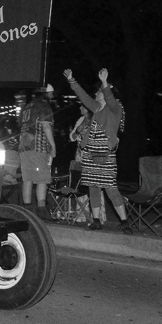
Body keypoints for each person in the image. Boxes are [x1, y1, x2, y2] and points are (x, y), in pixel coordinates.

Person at [65, 68, 132, 234]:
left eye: (99, 91)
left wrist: (104, 83)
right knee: (93, 187)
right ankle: (96, 220)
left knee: (110, 187)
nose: (96, 93)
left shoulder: (115, 108)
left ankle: (124, 221)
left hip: (105, 153)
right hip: (90, 152)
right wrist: (72, 80)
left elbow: (109, 98)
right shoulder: (96, 108)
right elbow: (83, 96)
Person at [18, 84, 56, 220]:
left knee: (27, 178)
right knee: (42, 178)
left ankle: (27, 211)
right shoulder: (44, 105)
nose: (52, 96)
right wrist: (53, 146)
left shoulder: (27, 106)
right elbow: (46, 126)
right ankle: (41, 211)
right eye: (50, 93)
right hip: (38, 147)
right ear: (45, 93)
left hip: (24, 146)